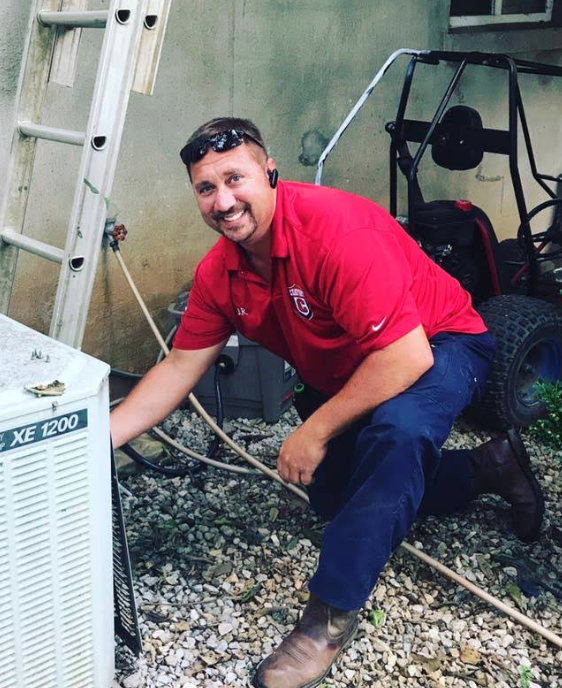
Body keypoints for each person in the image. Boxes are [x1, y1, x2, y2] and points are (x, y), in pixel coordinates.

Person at [110, 117, 545, 688]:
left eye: (235, 179)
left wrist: (312, 431)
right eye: (206, 188)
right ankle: (488, 467)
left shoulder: (334, 229)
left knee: (400, 432)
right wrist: (98, 438)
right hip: (355, 367)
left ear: (270, 172)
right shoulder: (221, 272)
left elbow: (405, 358)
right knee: (339, 494)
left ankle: (329, 619)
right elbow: (181, 366)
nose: (223, 201)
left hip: (440, 341)